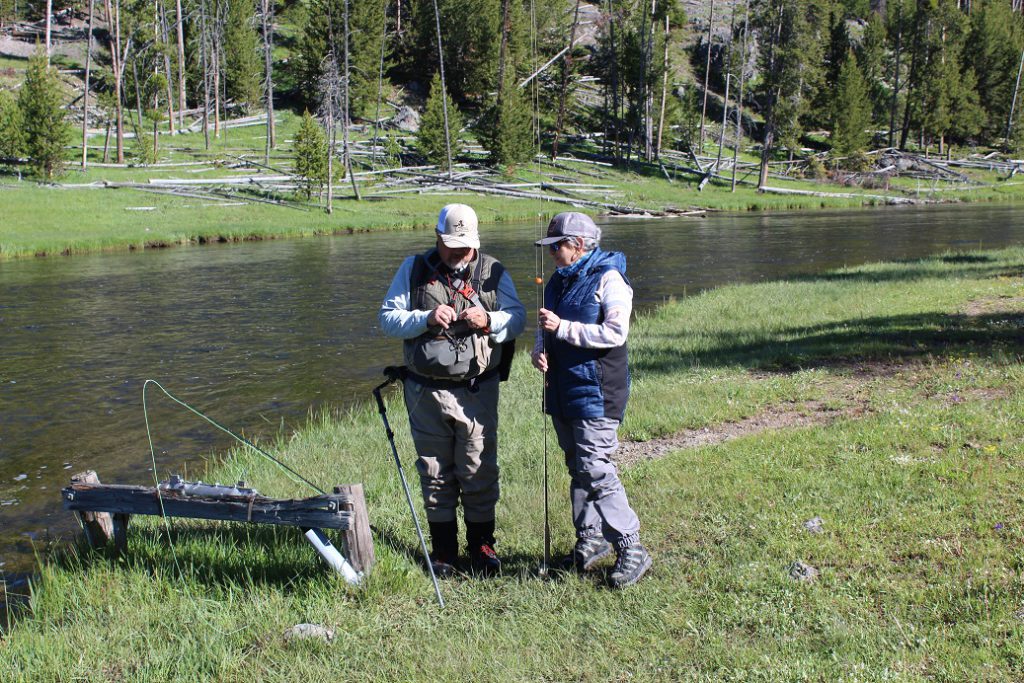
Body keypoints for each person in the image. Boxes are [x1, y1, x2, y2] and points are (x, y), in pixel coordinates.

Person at [380, 203, 525, 577]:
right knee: (434, 471)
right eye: (452, 245)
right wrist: (424, 318)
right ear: (437, 238)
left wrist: (490, 320)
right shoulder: (411, 270)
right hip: (424, 393)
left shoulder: (493, 270)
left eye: (466, 246)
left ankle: (482, 546)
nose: (461, 253)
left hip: (477, 390)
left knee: (478, 467)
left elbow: (518, 318)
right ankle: (444, 551)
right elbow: (388, 319)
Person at [531, 212, 652, 589]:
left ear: (579, 246)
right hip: (563, 388)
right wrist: (539, 349)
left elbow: (615, 333)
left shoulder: (610, 279)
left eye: (558, 247)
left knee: (595, 466)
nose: (552, 254)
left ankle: (631, 546)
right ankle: (591, 537)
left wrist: (562, 329)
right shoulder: (556, 283)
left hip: (599, 391)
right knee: (577, 465)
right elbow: (545, 326)